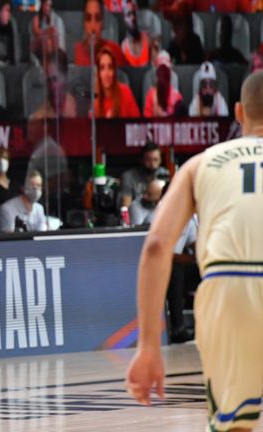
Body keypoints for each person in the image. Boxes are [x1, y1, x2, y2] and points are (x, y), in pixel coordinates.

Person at [126, 70, 263, 432]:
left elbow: (157, 245)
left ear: (238, 112)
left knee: (234, 424)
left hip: (229, 286)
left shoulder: (201, 163)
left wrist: (149, 346)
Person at [75, 0, 126, 67]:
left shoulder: (115, 51)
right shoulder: (75, 51)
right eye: (88, 18)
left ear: (102, 23)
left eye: (98, 19)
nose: (93, 26)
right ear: (83, 23)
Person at [94, 46, 140, 118]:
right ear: (98, 73)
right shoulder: (95, 100)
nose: (107, 74)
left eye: (110, 67)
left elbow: (136, 124)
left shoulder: (125, 92)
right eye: (102, 68)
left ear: (114, 71)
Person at [120, 141, 170, 208]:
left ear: (160, 160)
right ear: (141, 159)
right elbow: (126, 206)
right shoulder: (128, 177)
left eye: (155, 160)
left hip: (158, 213)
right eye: (148, 159)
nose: (152, 164)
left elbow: (169, 203)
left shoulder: (164, 174)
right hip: (136, 214)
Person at [144, 51, 184, 118]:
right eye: (161, 71)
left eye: (165, 71)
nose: (163, 74)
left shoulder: (176, 96)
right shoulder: (151, 94)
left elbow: (180, 121)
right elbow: (146, 119)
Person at [120, 0, 151, 67]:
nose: (133, 18)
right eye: (129, 14)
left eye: (134, 13)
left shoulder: (148, 39)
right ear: (124, 19)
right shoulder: (123, 47)